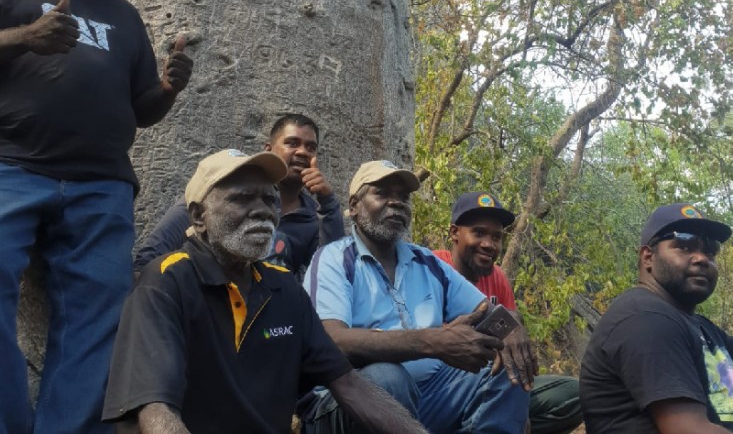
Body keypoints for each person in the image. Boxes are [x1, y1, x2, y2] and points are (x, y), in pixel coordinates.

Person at [0, 0, 193, 433]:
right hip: (11, 167)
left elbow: (141, 111)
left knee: (98, 320)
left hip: (101, 187)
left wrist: (168, 87)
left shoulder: (125, 16)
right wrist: (23, 37)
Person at [103, 150, 429, 434]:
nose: (262, 210)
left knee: (385, 380)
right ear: (199, 216)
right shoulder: (165, 281)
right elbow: (155, 412)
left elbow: (348, 384)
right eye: (242, 198)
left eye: (269, 199)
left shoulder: (283, 286)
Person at [302, 160, 537, 433]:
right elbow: (333, 341)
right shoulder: (334, 259)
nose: (397, 202)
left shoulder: (426, 261)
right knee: (388, 378)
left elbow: (489, 310)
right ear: (354, 207)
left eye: (403, 197)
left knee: (508, 368)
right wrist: (431, 342)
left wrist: (511, 326)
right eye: (382, 193)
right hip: (350, 400)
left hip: (430, 396)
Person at [434, 191, 583, 434]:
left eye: (496, 237)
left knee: (574, 395)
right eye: (479, 232)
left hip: (495, 384)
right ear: (454, 233)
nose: (489, 244)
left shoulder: (497, 278)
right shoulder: (432, 266)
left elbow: (512, 337)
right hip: (444, 390)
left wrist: (519, 406)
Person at [580, 203, 733, 433]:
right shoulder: (644, 318)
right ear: (648, 257)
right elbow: (689, 430)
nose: (702, 258)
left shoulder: (700, 327)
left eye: (710, 250)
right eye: (684, 245)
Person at [133, 113, 344, 279]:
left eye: (311, 147)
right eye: (292, 143)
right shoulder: (216, 191)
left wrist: (329, 204)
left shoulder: (313, 218)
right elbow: (147, 260)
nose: (302, 152)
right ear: (269, 149)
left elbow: (328, 277)